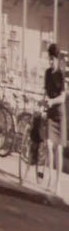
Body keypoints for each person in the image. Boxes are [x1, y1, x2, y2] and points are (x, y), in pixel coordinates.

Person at [43, 41, 65, 199]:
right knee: (49, 145)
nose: (51, 62)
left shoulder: (61, 75)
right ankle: (50, 178)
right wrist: (44, 101)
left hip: (59, 114)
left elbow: (63, 97)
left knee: (58, 149)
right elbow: (45, 91)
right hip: (50, 113)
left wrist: (52, 101)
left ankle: (58, 184)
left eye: (53, 59)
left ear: (57, 59)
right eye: (49, 59)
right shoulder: (47, 73)